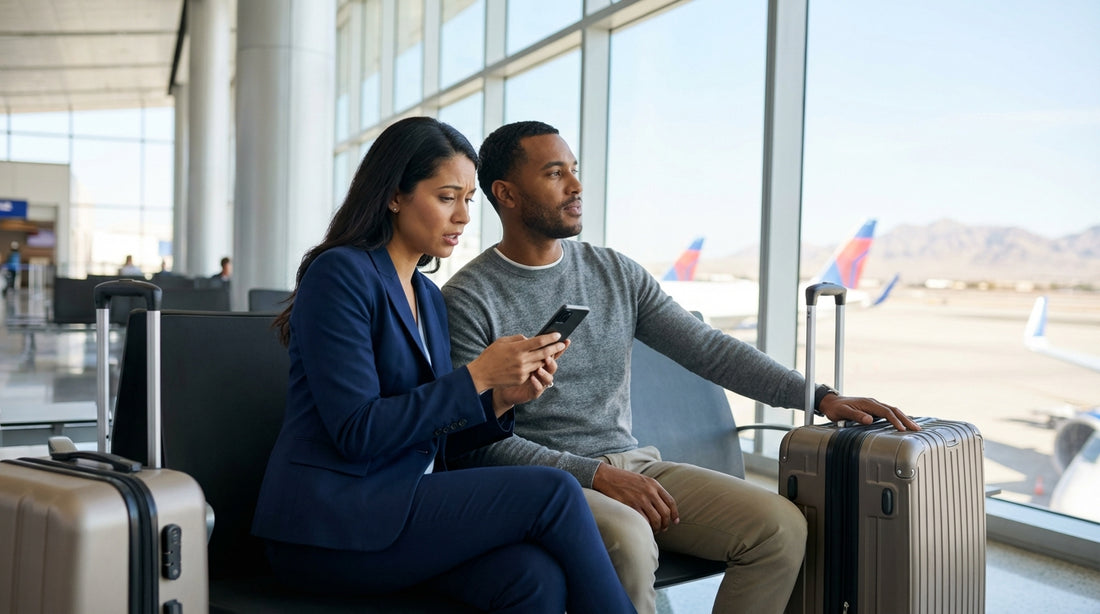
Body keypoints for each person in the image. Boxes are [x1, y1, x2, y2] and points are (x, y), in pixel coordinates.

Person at [441, 120, 921, 614]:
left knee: (779, 528)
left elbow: (709, 349)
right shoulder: (469, 299)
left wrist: (820, 397)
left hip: (636, 463)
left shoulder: (614, 272)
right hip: (549, 483)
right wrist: (596, 476)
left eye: (575, 170)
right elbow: (478, 445)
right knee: (629, 540)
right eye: (555, 173)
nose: (577, 185)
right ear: (508, 194)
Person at [250, 117, 635, 614]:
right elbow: (358, 432)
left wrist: (497, 400)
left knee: (532, 578)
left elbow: (435, 437)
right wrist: (477, 376)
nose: (463, 217)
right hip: (330, 525)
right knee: (555, 491)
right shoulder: (340, 275)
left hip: (401, 504)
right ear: (394, 196)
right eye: (447, 197)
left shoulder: (429, 297)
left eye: (469, 200)